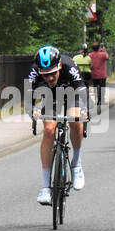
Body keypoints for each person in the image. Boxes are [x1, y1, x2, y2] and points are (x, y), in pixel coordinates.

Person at [27, 45, 88, 205]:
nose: (50, 78)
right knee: (48, 129)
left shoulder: (69, 65)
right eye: (45, 75)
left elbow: (81, 89)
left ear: (59, 66)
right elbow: (28, 92)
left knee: (75, 120)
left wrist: (85, 110)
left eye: (53, 73)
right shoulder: (35, 70)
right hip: (50, 96)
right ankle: (45, 187)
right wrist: (31, 110)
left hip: (71, 93)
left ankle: (76, 164)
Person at [89, 41, 110, 114]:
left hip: (94, 74)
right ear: (99, 48)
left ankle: (95, 99)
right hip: (102, 74)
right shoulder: (103, 54)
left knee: (95, 86)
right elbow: (107, 57)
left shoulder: (90, 55)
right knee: (102, 87)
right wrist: (104, 51)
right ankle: (102, 100)